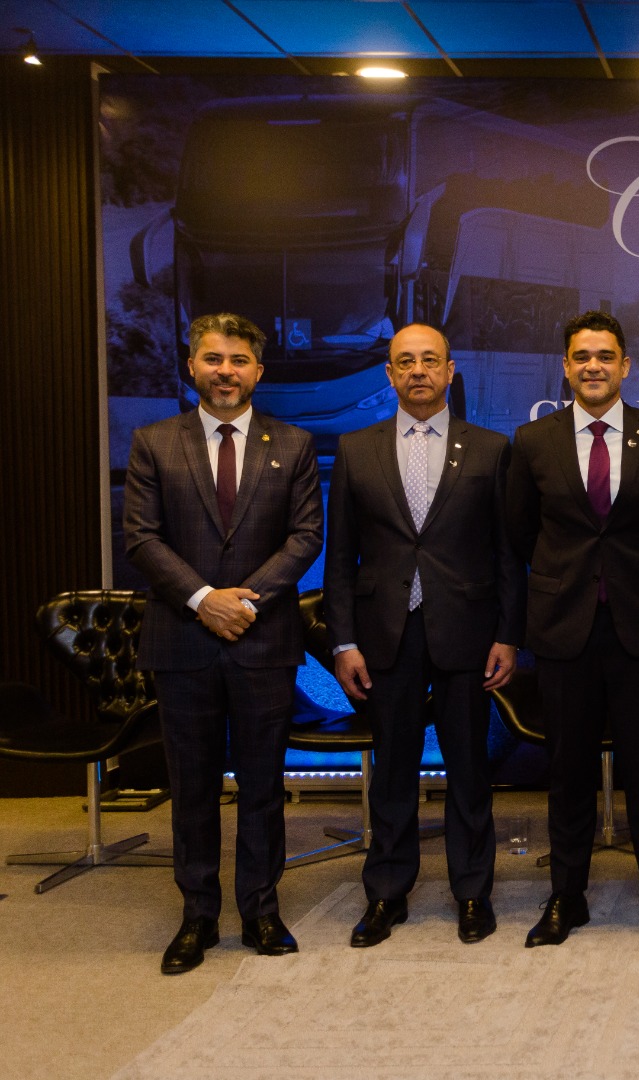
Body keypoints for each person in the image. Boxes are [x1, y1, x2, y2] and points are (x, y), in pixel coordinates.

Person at [124, 312, 323, 975]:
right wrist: (204, 599)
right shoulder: (154, 442)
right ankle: (198, 916)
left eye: (239, 360)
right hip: (182, 640)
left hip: (263, 641)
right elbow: (142, 538)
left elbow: (305, 537)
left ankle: (261, 910)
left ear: (258, 371)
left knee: (264, 786)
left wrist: (243, 601)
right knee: (193, 788)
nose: (226, 371)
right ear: (192, 366)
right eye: (213, 359)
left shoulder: (293, 444)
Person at [324, 322, 522, 948]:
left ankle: (472, 892)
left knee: (469, 769)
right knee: (392, 771)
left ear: (450, 370)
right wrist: (343, 642)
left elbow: (508, 553)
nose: (418, 371)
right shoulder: (356, 449)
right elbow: (340, 557)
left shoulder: (491, 448)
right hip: (386, 634)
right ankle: (386, 893)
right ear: (389, 374)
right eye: (405, 361)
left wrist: (508, 634)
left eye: (430, 360)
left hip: (467, 631)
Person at [506, 311, 639, 947]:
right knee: (567, 772)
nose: (593, 366)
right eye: (582, 356)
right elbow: (521, 535)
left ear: (625, 366)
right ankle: (567, 897)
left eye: (605, 356)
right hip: (564, 630)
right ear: (565, 366)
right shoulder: (533, 440)